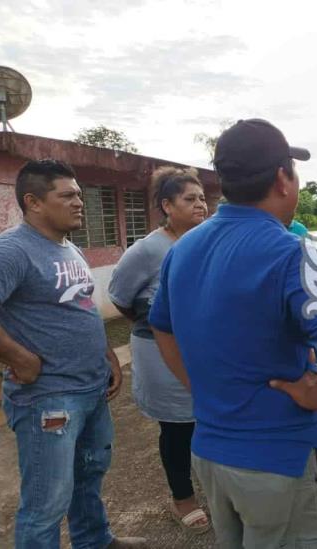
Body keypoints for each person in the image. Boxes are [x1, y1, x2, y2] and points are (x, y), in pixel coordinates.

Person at [148, 119, 317, 549]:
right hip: (279, 457)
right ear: (283, 179)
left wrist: (198, 384)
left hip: (210, 452)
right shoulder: (296, 253)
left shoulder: (184, 248)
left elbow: (161, 326)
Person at [0, 159, 146, 548]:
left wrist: (108, 354)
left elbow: (81, 306)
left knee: (89, 476)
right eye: (67, 196)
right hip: (47, 397)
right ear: (33, 202)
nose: (79, 202)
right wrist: (18, 358)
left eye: (79, 194)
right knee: (46, 501)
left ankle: (94, 540)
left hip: (90, 388)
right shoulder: (12, 251)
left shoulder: (69, 249)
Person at [108, 167, 209, 533]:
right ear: (167, 205)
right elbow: (120, 298)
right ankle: (183, 499)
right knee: (178, 426)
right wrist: (154, 320)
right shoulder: (149, 249)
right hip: (159, 351)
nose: (200, 205)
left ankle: (209, 486)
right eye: (189, 199)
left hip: (202, 349)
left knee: (205, 420)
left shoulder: (204, 239)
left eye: (202, 198)